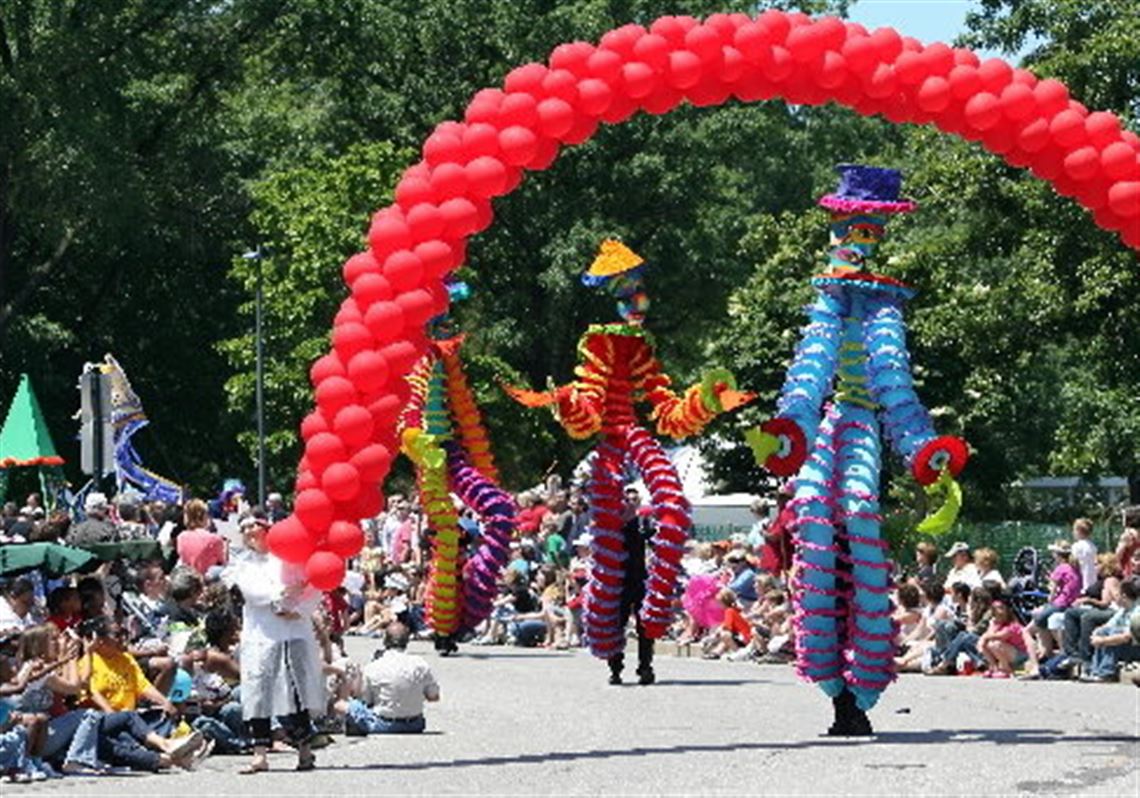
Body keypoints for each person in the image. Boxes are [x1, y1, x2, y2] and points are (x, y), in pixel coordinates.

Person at [227, 516, 323, 774]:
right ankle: (260, 753)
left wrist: (299, 607)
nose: (249, 532)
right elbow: (252, 593)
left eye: (253, 526)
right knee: (257, 690)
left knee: (293, 692)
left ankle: (304, 748)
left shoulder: (289, 558)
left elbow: (313, 585)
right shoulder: (243, 563)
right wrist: (281, 597)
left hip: (290, 633)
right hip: (259, 634)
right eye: (244, 528)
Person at [340, 622, 439, 735]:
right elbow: (433, 696)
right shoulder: (420, 664)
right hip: (415, 724)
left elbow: (366, 700)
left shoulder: (374, 666)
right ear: (406, 641)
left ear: (385, 641)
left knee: (347, 704)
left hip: (384, 724)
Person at [607, 485, 655, 686]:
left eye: (635, 500)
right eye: (628, 500)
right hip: (618, 582)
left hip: (640, 580)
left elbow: (656, 544)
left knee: (644, 626)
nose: (631, 504)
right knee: (617, 626)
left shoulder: (643, 523)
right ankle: (615, 668)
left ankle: (645, 667)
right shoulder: (612, 526)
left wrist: (652, 533)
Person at [1061, 553, 1123, 670]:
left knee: (1088, 617)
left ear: (1105, 565)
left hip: (1115, 612)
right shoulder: (1104, 580)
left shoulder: (1111, 580)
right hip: (1106, 609)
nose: (1094, 567)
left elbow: (1111, 602)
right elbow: (1103, 603)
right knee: (1070, 613)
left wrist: (1089, 600)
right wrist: (1088, 601)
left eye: (1097, 564)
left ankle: (1086, 657)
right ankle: (1073, 653)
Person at [1028, 540, 1082, 660]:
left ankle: (1044, 651)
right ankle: (1046, 651)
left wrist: (1049, 599)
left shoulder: (1060, 568)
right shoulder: (1075, 567)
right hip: (1070, 603)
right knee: (1042, 619)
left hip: (1060, 603)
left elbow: (1052, 590)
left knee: (1038, 619)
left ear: (1057, 554)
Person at [1082, 579, 1140, 682]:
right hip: (1124, 645)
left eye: (1116, 595)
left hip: (1135, 648)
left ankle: (1106, 673)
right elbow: (1108, 625)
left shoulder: (1137, 611)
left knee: (1113, 635)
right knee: (1103, 633)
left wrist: (1103, 641)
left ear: (1124, 596)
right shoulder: (1123, 610)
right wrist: (1097, 633)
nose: (1114, 599)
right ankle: (1095, 671)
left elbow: (1127, 637)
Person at [979, 599, 1030, 678]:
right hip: (1009, 653)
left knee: (995, 644)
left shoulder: (1013, 625)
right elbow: (988, 636)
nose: (1000, 611)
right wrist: (992, 624)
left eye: (1002, 608)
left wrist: (984, 638)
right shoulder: (995, 624)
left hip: (1021, 655)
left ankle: (1006, 670)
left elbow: (1000, 636)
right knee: (986, 644)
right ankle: (994, 668)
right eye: (996, 609)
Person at [176, 499, 226, 576]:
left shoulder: (180, 537)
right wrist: (226, 545)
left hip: (189, 579)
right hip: (207, 580)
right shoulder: (214, 539)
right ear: (204, 516)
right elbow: (223, 562)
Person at [1071, 518, 1098, 590]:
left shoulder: (1076, 546)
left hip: (1081, 581)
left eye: (1074, 530)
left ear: (1079, 531)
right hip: (1093, 581)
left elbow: (1074, 564)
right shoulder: (1093, 546)